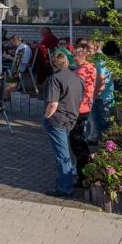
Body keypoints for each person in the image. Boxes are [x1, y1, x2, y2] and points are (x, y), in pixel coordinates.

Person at [42, 51, 84, 197]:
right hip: (71, 118)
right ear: (66, 62)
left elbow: (53, 103)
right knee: (65, 151)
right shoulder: (77, 78)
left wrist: (46, 117)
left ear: (52, 64)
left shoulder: (55, 78)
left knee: (62, 154)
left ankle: (65, 187)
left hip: (58, 119)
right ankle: (66, 180)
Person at [70, 44, 96, 182]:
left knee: (77, 141)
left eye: (75, 56)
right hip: (87, 106)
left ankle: (82, 175)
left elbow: (75, 92)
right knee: (81, 139)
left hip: (78, 108)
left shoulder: (81, 72)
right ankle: (86, 169)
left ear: (82, 55)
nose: (73, 59)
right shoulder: (91, 67)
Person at [88, 40, 118, 143]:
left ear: (95, 47)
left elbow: (101, 79)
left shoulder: (100, 60)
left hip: (102, 98)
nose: (87, 51)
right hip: (102, 97)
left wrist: (94, 96)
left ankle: (106, 149)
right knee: (101, 125)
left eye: (88, 48)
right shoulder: (99, 59)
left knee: (102, 126)